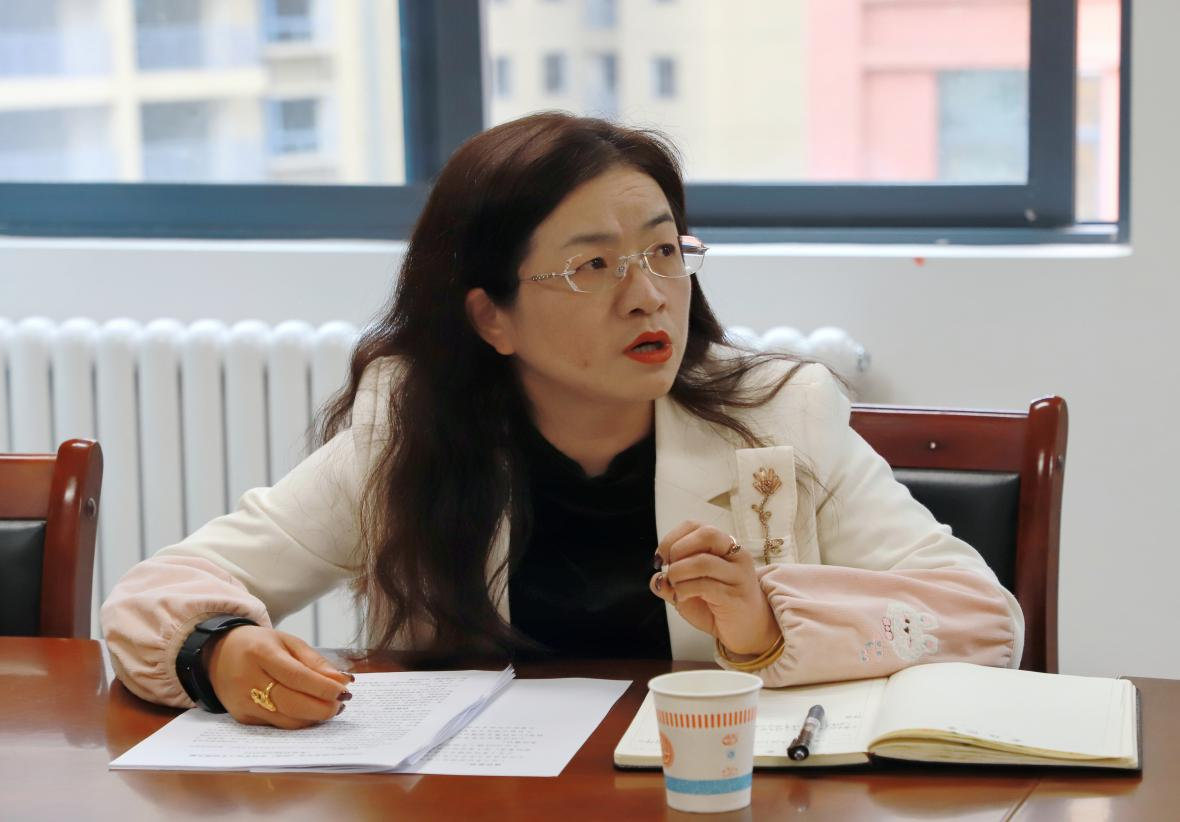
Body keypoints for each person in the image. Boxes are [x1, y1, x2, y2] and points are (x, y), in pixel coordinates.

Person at [102, 112, 1020, 730]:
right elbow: (161, 589)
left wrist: (769, 627)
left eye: (664, 252)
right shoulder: (410, 434)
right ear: (490, 317)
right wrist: (218, 653)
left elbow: (982, 622)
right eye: (594, 267)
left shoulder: (779, 416)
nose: (648, 296)